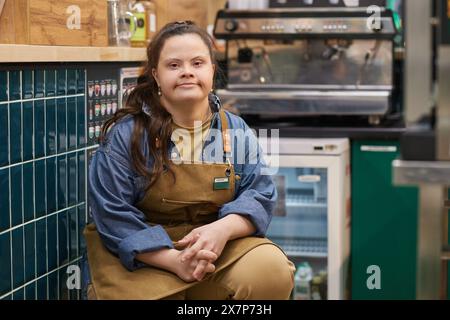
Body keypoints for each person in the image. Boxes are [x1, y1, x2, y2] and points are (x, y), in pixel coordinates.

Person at [84, 20, 295, 300]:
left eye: (197, 63)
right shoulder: (126, 136)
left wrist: (221, 230)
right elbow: (112, 214)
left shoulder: (235, 130)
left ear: (212, 69)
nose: (187, 72)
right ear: (156, 75)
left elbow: (260, 195)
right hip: (146, 259)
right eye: (174, 65)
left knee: (270, 271)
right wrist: (173, 260)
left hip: (217, 253)